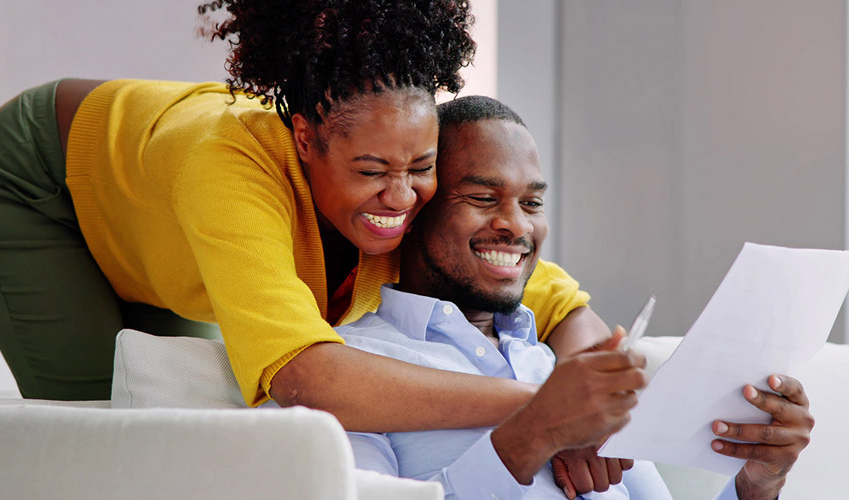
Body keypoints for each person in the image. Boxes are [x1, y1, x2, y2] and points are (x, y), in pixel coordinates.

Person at [0, 0, 616, 439]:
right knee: (107, 434)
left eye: (420, 166)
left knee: (179, 420)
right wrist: (541, 407)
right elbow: (308, 380)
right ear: (304, 140)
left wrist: (602, 419)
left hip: (155, 209)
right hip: (42, 186)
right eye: (370, 171)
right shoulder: (226, 171)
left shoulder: (410, 190)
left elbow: (561, 306)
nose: (401, 198)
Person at [334, 96, 815, 499]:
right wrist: (533, 432)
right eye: (483, 199)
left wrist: (756, 482)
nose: (518, 225)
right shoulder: (353, 372)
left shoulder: (557, 366)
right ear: (415, 206)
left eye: (532, 203)